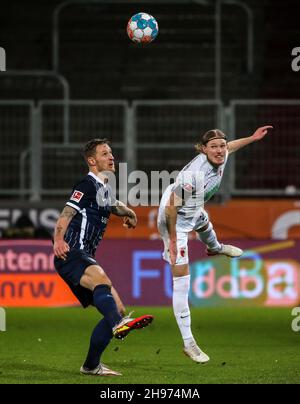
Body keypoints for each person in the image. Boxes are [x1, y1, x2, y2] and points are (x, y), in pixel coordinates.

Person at [157, 125, 273, 363]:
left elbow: (231, 146)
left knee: (205, 226)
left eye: (222, 146)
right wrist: (171, 240)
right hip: (174, 218)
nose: (220, 151)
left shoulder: (221, 152)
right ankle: (189, 343)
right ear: (202, 149)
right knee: (181, 281)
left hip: (193, 210)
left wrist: (252, 138)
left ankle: (215, 248)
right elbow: (171, 207)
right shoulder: (193, 176)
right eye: (214, 147)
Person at [53, 138, 153, 376]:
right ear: (92, 160)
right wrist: (58, 240)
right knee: (102, 282)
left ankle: (91, 365)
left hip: (83, 256)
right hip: (72, 253)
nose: (111, 157)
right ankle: (118, 325)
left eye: (111, 152)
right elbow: (66, 215)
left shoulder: (102, 190)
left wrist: (128, 211)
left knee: (117, 310)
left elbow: (113, 204)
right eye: (105, 153)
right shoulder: (86, 184)